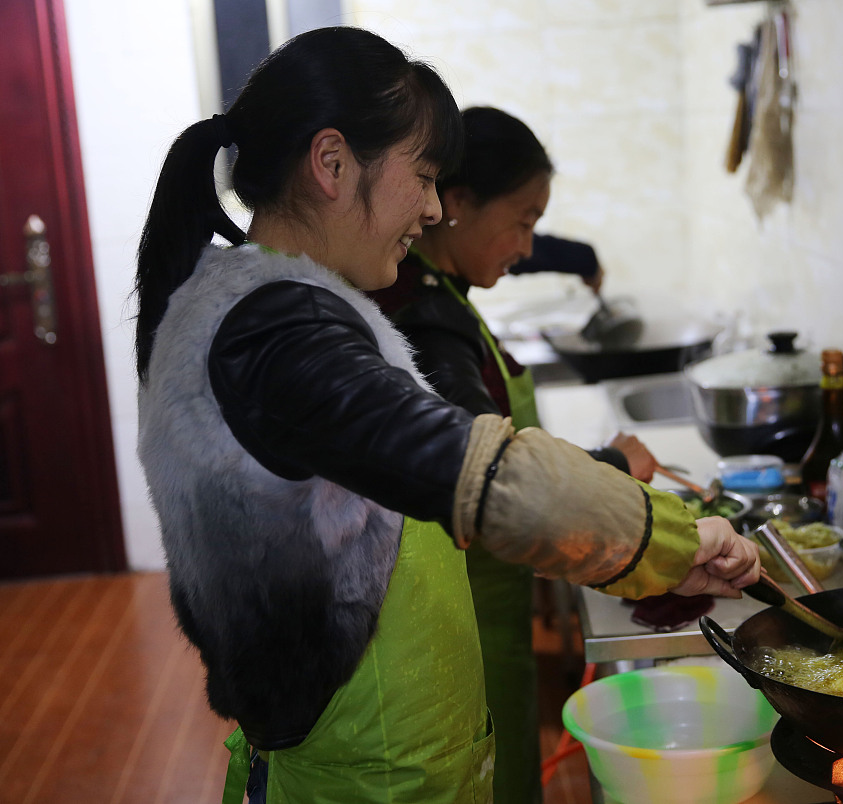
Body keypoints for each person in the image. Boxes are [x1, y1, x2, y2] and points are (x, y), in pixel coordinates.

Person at [132, 26, 759, 804]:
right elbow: (474, 470)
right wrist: (670, 539)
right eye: (423, 176)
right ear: (331, 164)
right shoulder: (273, 335)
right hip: (365, 778)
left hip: (389, 760)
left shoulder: (273, 309)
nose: (431, 209)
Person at [368, 106, 658, 803]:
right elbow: (497, 478)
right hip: (460, 628)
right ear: (456, 204)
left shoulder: (441, 289)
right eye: (523, 221)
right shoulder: (430, 325)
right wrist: (612, 470)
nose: (528, 247)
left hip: (485, 609)